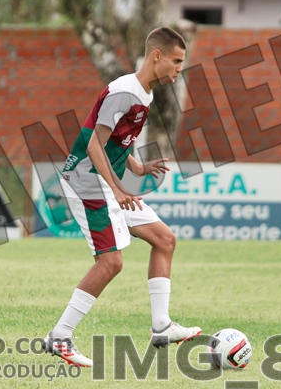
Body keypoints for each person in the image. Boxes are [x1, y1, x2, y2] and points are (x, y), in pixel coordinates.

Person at [42, 27, 201, 367]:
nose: (179, 68)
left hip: (105, 181)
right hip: (86, 181)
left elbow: (117, 141)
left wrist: (138, 168)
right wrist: (117, 188)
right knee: (110, 262)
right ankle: (60, 336)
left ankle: (162, 327)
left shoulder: (144, 94)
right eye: (176, 61)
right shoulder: (124, 92)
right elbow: (93, 145)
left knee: (164, 240)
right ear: (156, 56)